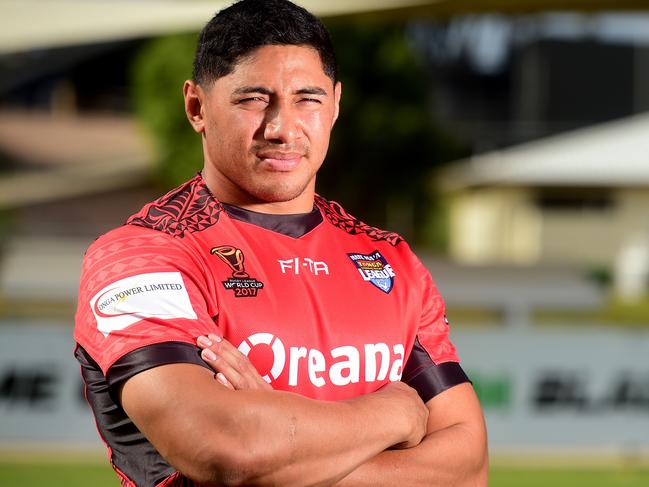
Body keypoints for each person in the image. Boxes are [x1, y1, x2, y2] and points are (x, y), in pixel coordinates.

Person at [73, 0, 488, 485]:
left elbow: (466, 468)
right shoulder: (141, 257)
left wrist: (278, 442)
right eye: (253, 98)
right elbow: (227, 451)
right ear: (197, 107)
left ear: (334, 104)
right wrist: (396, 413)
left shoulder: (388, 260)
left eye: (307, 98)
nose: (282, 127)